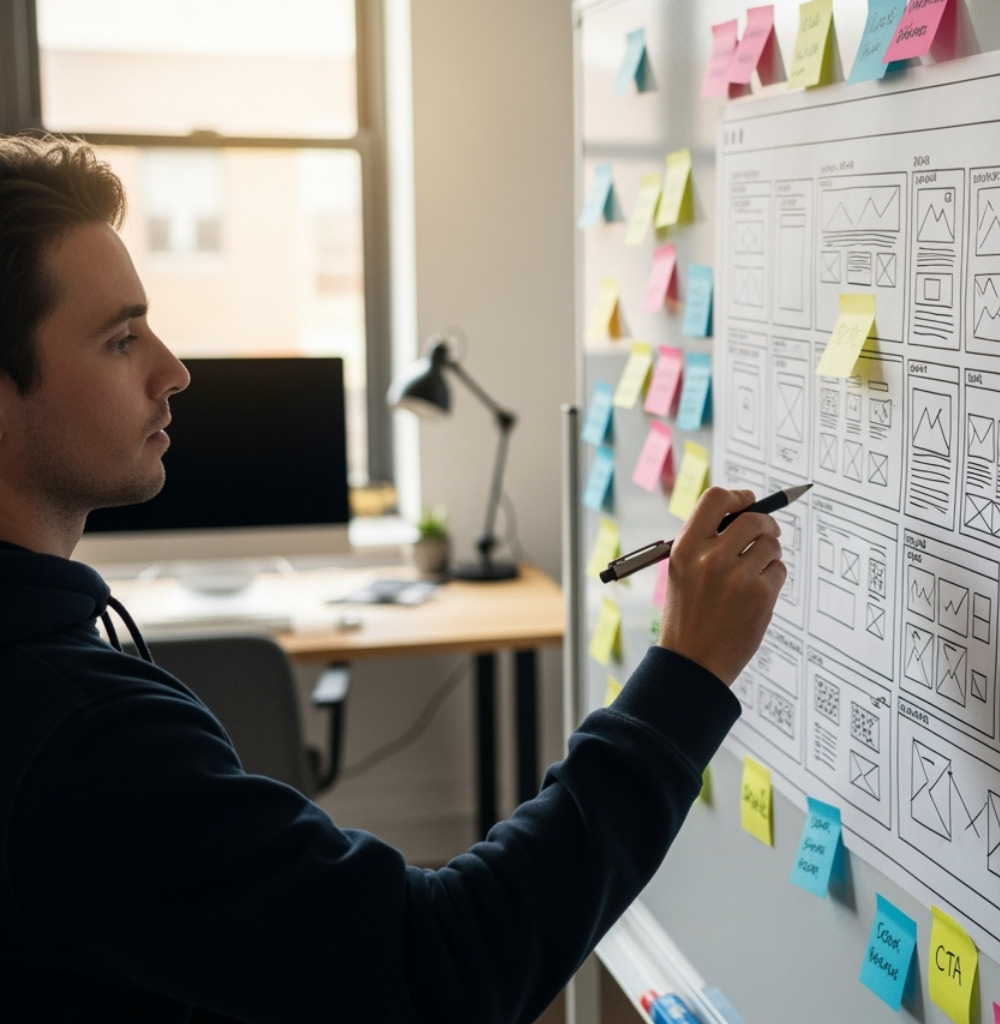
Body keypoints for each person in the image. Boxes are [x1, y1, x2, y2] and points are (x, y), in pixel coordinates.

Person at [0, 134, 785, 1022]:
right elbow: (439, 970)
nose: (173, 373)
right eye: (120, 339)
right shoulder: (82, 740)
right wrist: (683, 678)